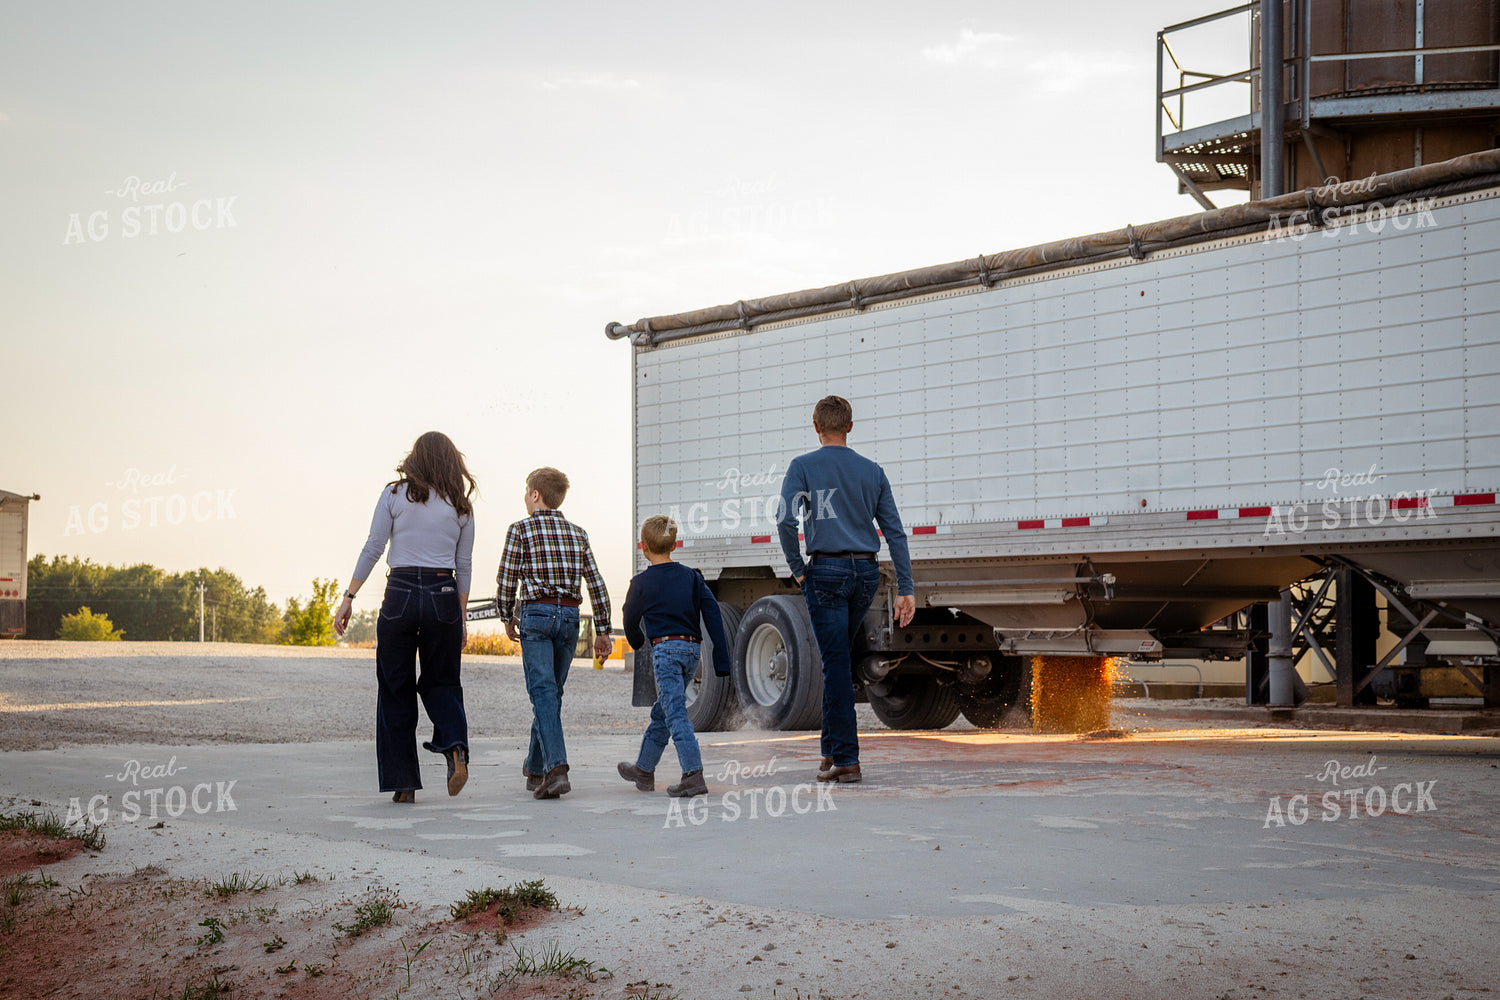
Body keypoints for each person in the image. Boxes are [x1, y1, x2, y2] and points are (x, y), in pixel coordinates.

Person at [777, 395, 916, 784]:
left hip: (826, 571)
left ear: (816, 426)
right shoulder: (872, 471)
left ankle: (847, 758)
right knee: (835, 658)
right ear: (850, 427)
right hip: (866, 574)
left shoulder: (802, 466)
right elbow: (895, 532)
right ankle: (829, 750)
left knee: (835, 662)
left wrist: (798, 570)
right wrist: (906, 586)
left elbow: (786, 522)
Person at [335, 431, 477, 804]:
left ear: (415, 458)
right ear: (452, 462)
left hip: (399, 593)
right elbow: (463, 565)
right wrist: (461, 616)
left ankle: (404, 784)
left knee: (395, 686)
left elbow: (374, 547)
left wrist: (349, 597)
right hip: (443, 593)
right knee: (443, 681)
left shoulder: (395, 494)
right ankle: (456, 749)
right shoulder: (461, 505)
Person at [496, 467, 613, 800]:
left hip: (537, 614)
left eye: (525, 492)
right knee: (551, 694)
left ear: (535, 494)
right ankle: (535, 767)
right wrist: (603, 629)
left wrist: (506, 615)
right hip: (569, 618)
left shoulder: (520, 529)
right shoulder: (579, 533)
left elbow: (506, 579)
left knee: (544, 694)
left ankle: (556, 769)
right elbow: (597, 584)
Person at [616, 515, 731, 798]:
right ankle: (644, 769)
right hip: (692, 651)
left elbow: (629, 617)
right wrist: (720, 656)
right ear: (675, 544)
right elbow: (713, 613)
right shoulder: (692, 577)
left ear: (643, 547)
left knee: (675, 711)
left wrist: (636, 640)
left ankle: (693, 774)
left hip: (665, 651)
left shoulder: (641, 582)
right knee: (665, 709)